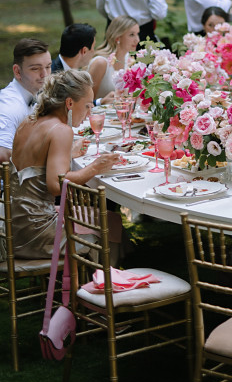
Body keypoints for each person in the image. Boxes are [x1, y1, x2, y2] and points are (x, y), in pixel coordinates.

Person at [9, 70, 120, 259]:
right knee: (109, 222)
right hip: (37, 231)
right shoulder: (61, 130)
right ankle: (102, 282)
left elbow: (36, 164)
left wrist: (69, 153)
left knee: (111, 219)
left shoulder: (29, 122)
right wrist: (96, 167)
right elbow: (56, 185)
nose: (89, 113)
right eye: (86, 106)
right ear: (69, 103)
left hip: (14, 224)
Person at [0, 39, 52, 163]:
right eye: (35, 69)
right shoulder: (10, 106)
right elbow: (3, 155)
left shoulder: (32, 92)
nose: (44, 74)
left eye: (48, 67)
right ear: (17, 71)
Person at [87, 15, 140, 101]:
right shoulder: (101, 63)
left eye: (137, 34)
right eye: (131, 35)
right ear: (117, 37)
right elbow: (85, 102)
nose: (137, 40)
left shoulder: (128, 59)